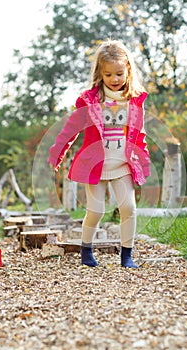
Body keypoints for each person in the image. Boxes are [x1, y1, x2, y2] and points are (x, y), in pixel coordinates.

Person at [48, 39, 150, 268]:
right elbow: (70, 129)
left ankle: (126, 256)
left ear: (128, 71)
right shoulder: (90, 101)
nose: (114, 79)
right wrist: (57, 152)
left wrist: (141, 160)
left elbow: (139, 133)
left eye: (119, 74)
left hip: (122, 166)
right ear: (100, 74)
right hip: (96, 166)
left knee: (129, 208)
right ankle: (86, 251)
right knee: (96, 211)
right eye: (108, 75)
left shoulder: (135, 101)